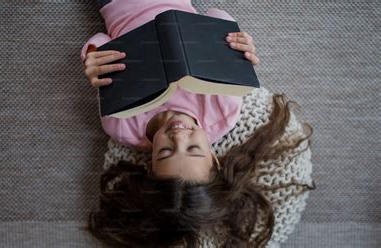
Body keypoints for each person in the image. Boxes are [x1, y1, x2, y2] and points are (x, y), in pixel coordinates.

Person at [80, 1, 315, 247]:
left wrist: (93, 58)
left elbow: (99, 40)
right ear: (214, 158)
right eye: (194, 149)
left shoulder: (122, 125)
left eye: (166, 152)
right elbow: (216, 15)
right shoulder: (223, 109)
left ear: (150, 166)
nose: (179, 136)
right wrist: (235, 43)